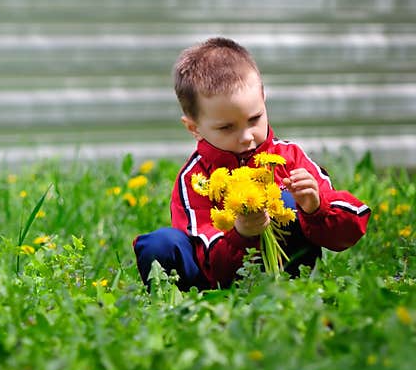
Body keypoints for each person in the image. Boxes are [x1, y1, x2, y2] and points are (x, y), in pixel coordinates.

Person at [133, 36, 370, 290]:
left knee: (286, 201)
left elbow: (351, 230)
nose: (246, 137)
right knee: (159, 244)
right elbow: (209, 264)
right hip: (218, 285)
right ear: (194, 127)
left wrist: (316, 207)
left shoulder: (289, 157)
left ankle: (292, 291)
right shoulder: (195, 179)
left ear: (263, 99)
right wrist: (241, 234)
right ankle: (182, 311)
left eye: (254, 118)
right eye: (226, 127)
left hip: (289, 278)